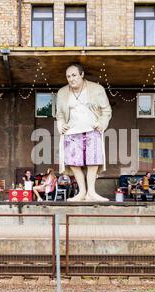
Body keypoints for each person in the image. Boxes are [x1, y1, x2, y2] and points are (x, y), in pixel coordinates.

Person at [56, 63, 112, 202]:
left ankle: (91, 193)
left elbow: (106, 110)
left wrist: (102, 123)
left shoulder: (97, 89)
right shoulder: (62, 92)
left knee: (93, 162)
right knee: (74, 163)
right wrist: (61, 124)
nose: (71, 79)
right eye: (68, 76)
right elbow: (59, 114)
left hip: (92, 130)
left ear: (82, 75)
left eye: (74, 75)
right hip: (71, 132)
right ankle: (81, 192)